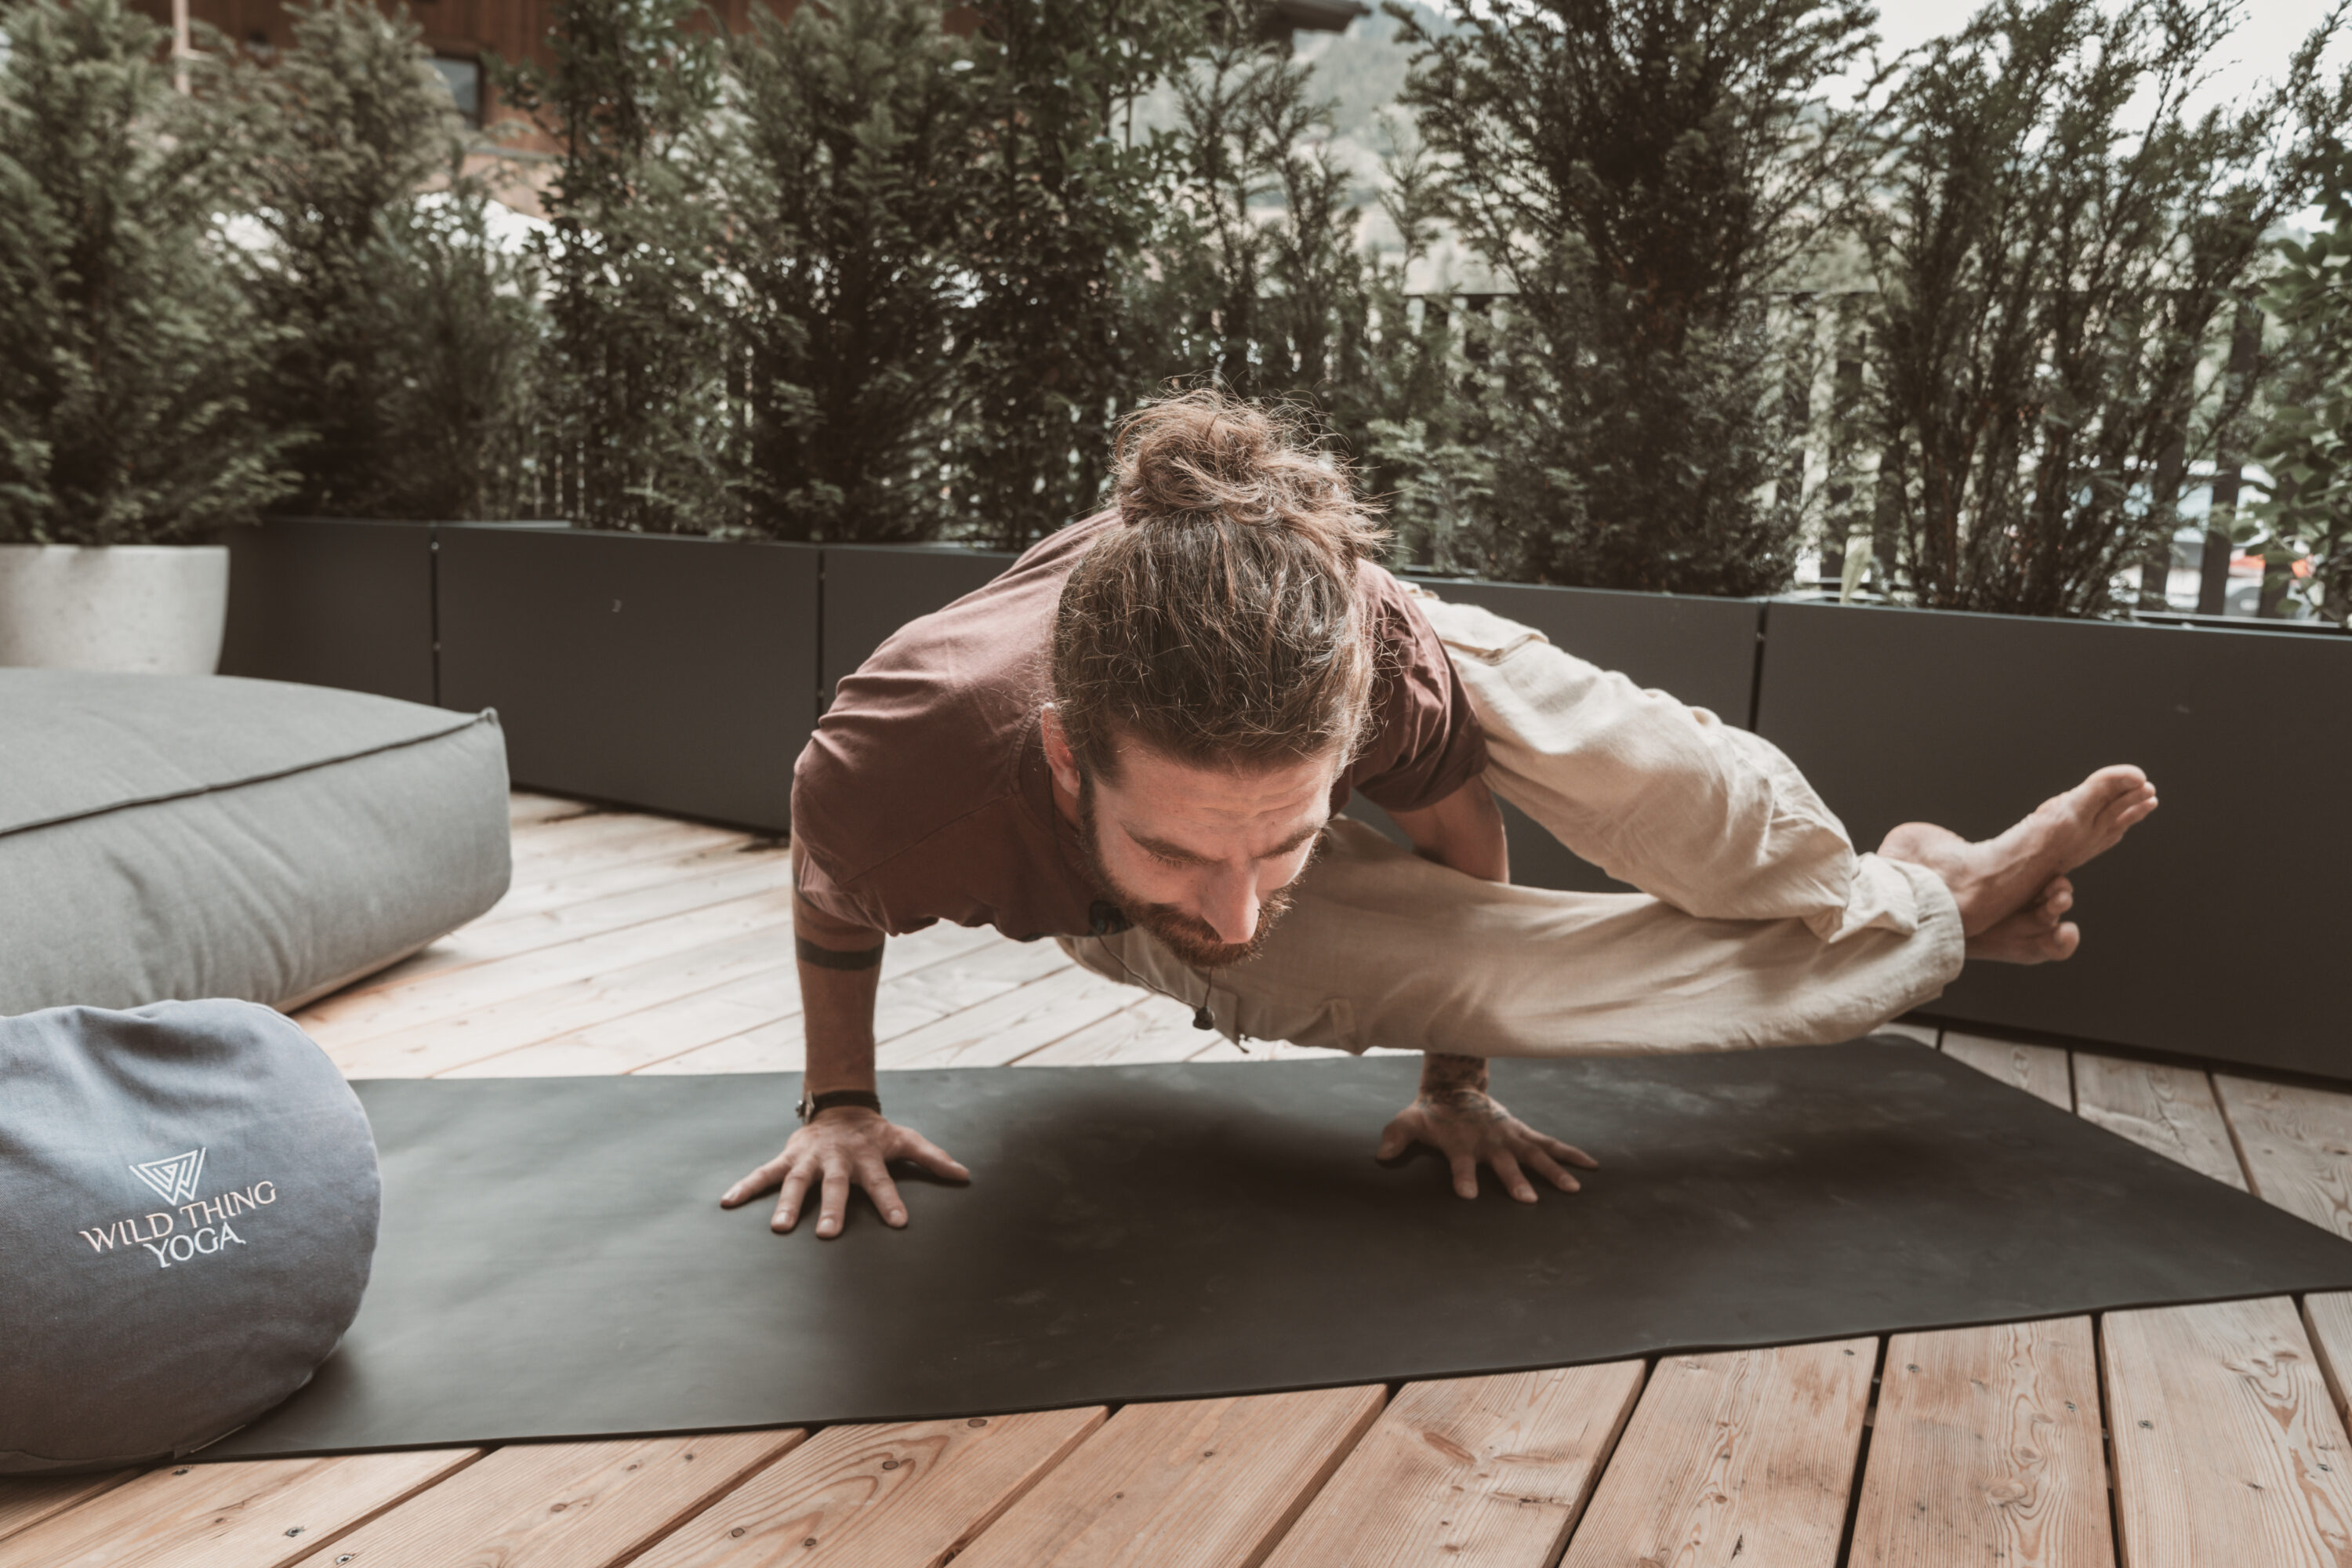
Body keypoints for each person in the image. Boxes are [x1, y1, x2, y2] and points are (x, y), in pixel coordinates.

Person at [721, 390, 2159, 1239]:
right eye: (1174, 842)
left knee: (1704, 810)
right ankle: (1939, 904)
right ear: (1057, 766)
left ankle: (1913, 879)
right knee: (1502, 974)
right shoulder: (893, 770)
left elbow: (1462, 845)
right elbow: (830, 897)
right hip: (1121, 796)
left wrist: (1452, 1085)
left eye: (1280, 842)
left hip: (1371, 644)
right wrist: (840, 1102)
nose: (1233, 906)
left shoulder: (1384, 670)